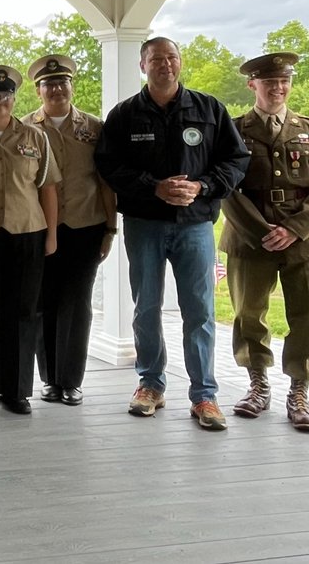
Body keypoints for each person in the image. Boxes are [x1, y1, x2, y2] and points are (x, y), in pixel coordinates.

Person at [94, 36, 249, 431]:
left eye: (171, 57)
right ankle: (150, 385)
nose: (165, 64)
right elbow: (109, 165)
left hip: (195, 226)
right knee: (146, 308)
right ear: (142, 65)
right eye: (156, 59)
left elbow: (236, 159)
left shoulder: (209, 109)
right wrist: (153, 186)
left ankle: (205, 396)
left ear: (180, 63)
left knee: (199, 311)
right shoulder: (124, 115)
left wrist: (203, 187)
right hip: (144, 224)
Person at [219, 52, 309, 429]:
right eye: (269, 82)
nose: (278, 88)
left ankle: (299, 390)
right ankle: (258, 384)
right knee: (248, 314)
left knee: (305, 314)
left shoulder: (306, 129)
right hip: (249, 237)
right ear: (252, 85)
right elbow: (226, 187)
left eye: (283, 81)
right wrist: (261, 232)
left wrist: (294, 228)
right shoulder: (234, 131)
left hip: (301, 238)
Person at [0, 65, 59, 416]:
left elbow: (48, 188)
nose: (0, 101)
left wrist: (50, 234)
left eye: (6, 96)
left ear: (15, 99)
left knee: (23, 314)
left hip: (27, 233)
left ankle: (18, 391)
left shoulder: (35, 137)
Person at [25, 54, 117, 407]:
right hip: (39, 227)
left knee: (77, 305)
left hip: (84, 226)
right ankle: (49, 378)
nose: (56, 89)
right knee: (43, 303)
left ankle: (71, 380)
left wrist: (110, 228)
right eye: (49, 84)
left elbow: (106, 181)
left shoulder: (94, 128)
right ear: (38, 90)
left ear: (71, 86)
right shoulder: (27, 128)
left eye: (62, 82)